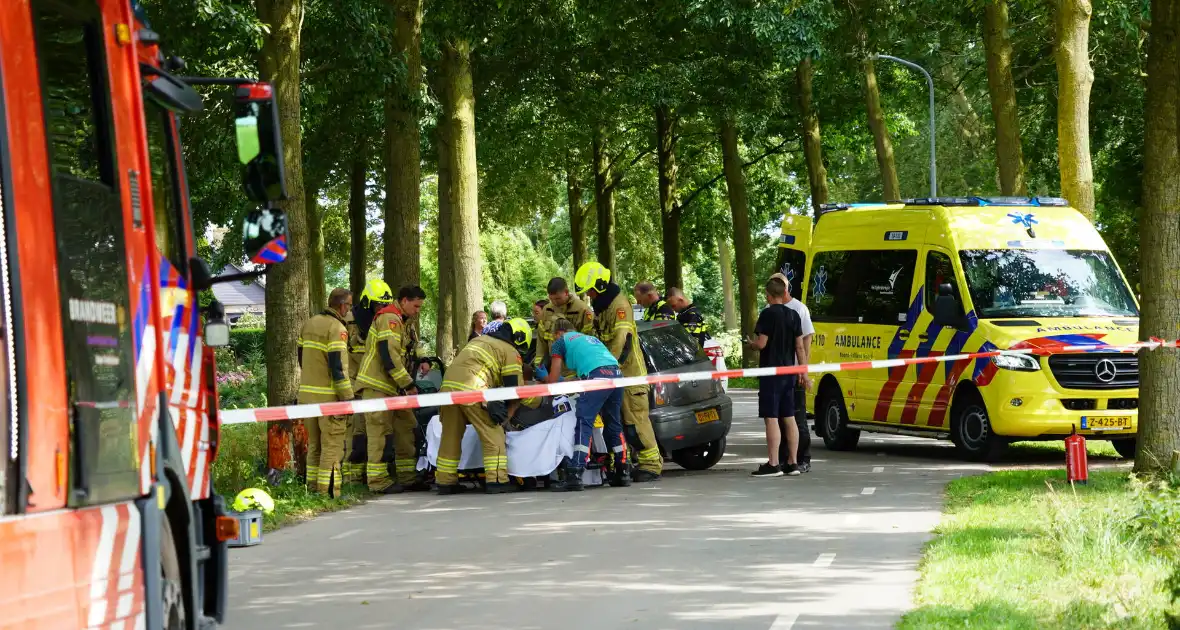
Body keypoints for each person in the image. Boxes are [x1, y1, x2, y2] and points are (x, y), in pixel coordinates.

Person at [574, 262, 663, 482]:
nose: (589, 295)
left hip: (629, 374)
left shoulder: (619, 306)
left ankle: (651, 464)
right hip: (613, 376)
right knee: (618, 423)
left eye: (591, 290)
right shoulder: (603, 308)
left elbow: (622, 342)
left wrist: (605, 368)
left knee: (636, 421)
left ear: (601, 285)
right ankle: (623, 463)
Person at [436, 318, 540, 495]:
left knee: (450, 436)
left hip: (447, 390)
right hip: (474, 390)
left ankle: (445, 481)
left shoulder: (479, 340)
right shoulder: (509, 350)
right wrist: (537, 399)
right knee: (494, 434)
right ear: (519, 338)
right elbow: (514, 389)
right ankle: (497, 480)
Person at [355, 285, 430, 494]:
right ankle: (378, 481)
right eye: (415, 306)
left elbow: (407, 351)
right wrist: (408, 384)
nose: (417, 311)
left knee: (406, 426)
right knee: (379, 432)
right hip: (377, 385)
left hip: (393, 386)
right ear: (404, 300)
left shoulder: (402, 321)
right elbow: (389, 356)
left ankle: (407, 476)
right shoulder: (390, 318)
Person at [544, 318, 631, 491]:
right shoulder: (588, 339)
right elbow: (586, 372)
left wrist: (543, 376)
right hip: (616, 375)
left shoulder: (559, 343)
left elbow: (553, 381)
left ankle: (575, 472)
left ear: (557, 333)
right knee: (613, 422)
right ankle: (623, 470)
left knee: (584, 422)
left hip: (597, 378)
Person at [745, 277, 810, 478]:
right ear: (784, 293)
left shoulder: (767, 314)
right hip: (789, 372)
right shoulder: (793, 315)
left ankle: (773, 464)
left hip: (770, 373)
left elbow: (762, 343)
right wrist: (803, 372)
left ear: (768, 295)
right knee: (789, 417)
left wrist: (751, 344)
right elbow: (799, 347)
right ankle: (793, 462)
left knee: (771, 418)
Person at [297, 288, 355, 495]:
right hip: (329, 399)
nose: (350, 310)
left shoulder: (309, 323)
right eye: (349, 305)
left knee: (315, 445)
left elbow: (301, 357)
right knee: (331, 446)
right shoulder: (337, 328)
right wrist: (347, 398)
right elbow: (338, 367)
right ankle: (329, 492)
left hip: (307, 397)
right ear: (341, 306)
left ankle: (312, 489)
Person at [342, 278, 394, 484]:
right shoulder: (347, 321)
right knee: (355, 433)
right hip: (352, 385)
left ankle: (373, 473)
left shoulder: (384, 321)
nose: (381, 308)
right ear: (367, 303)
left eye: (385, 304)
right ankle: (353, 478)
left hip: (375, 385)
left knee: (378, 431)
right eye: (378, 304)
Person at [771, 272, 816, 473]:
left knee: (797, 416)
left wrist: (802, 369)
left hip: (794, 369)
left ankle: (802, 457)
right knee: (779, 416)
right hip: (777, 370)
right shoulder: (771, 307)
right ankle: (783, 458)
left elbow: (806, 341)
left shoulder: (799, 309)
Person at [535, 277, 594, 378]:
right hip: (552, 366)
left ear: (566, 292)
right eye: (551, 298)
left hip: (574, 368)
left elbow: (589, 341)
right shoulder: (547, 310)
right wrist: (539, 364)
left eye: (557, 298)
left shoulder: (582, 310)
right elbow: (541, 340)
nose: (554, 302)